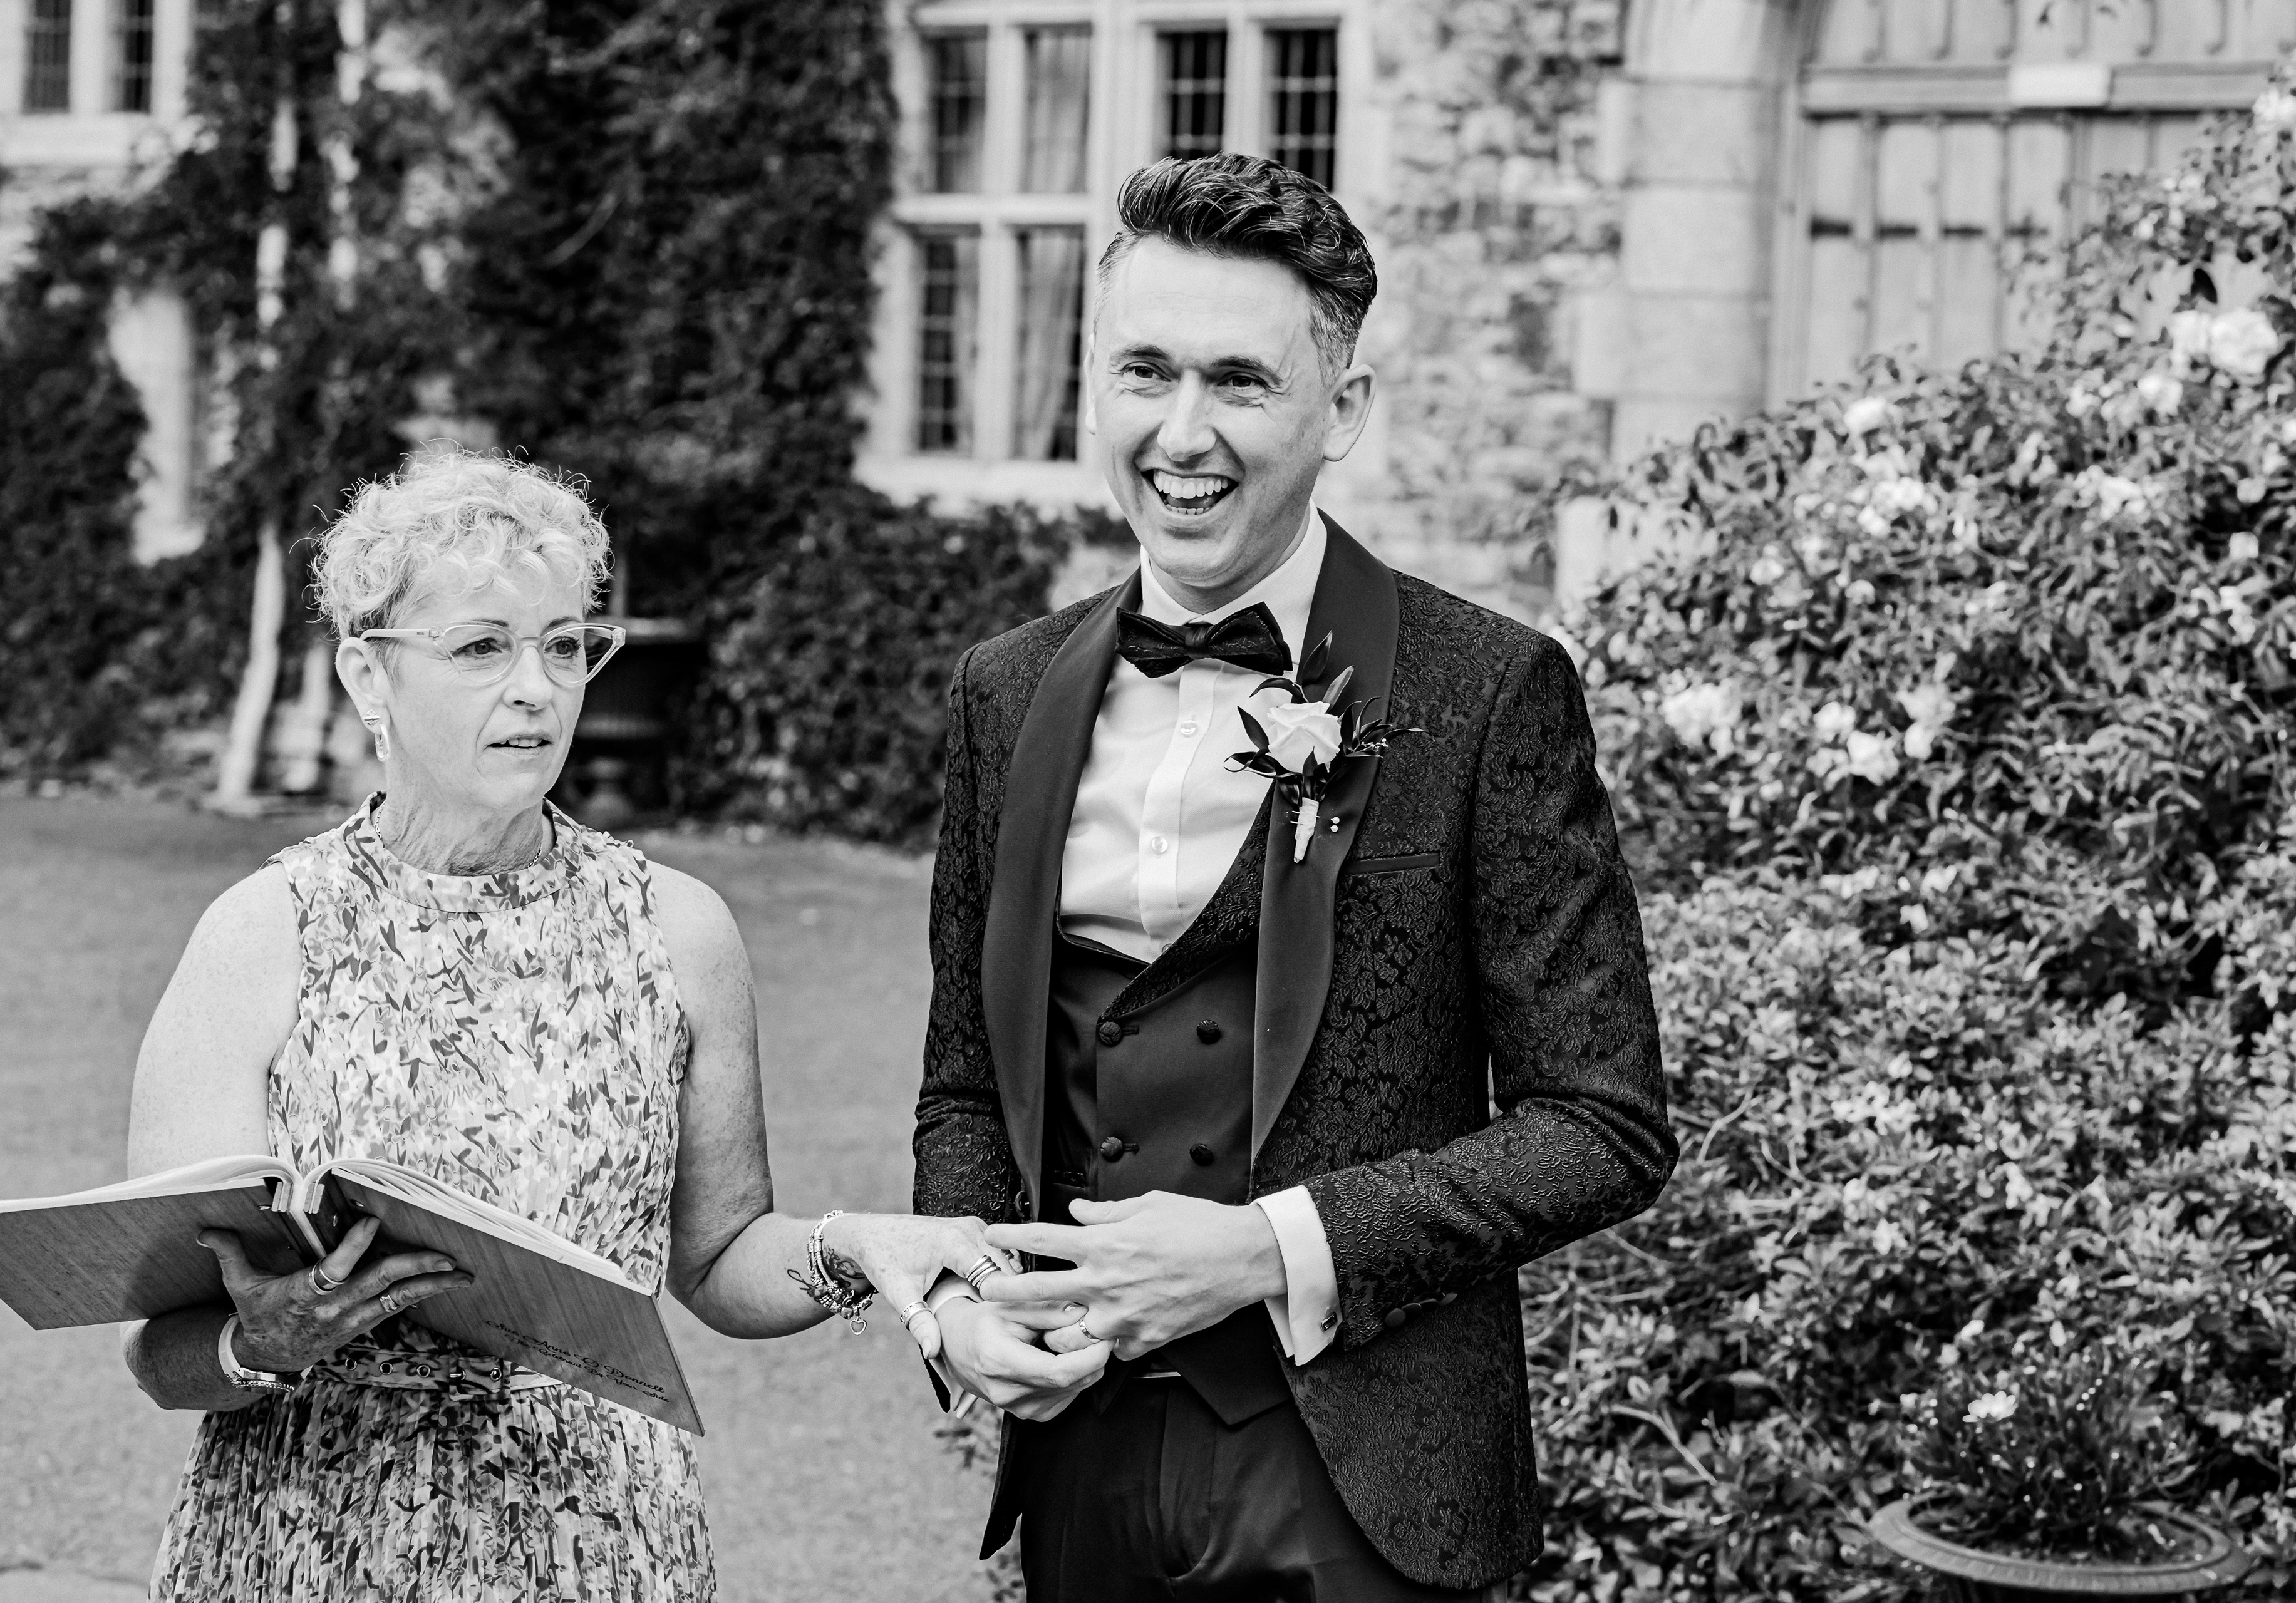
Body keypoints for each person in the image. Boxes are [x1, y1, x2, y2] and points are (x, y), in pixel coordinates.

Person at [911, 152, 1678, 1601]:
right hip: (1082, 1464)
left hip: (1360, 1480)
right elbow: (965, 1080)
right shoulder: (1003, 691)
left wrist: (1270, 1248)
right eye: (1144, 371)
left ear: (1344, 407)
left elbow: (1604, 1121)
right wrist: (957, 1294)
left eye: (1239, 382)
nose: (1180, 432)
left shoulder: (1485, 692)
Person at [122, 450, 989, 1600]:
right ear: (368, 676)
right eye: (483, 647)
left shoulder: (678, 930)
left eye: (566, 645)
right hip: (306, 1538)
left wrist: (857, 1247)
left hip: (597, 1542)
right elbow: (161, 1347)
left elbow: (721, 1257)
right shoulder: (260, 935)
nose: (537, 687)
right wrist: (259, 1342)